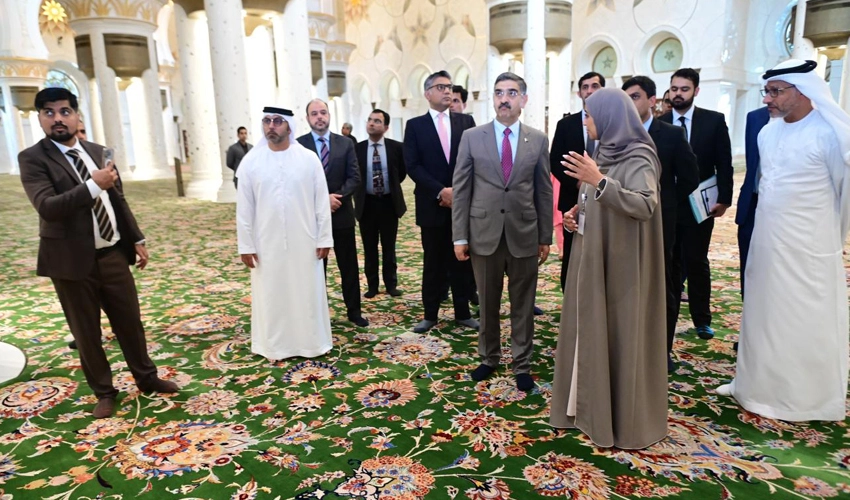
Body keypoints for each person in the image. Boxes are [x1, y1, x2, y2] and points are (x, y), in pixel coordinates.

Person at [18, 87, 179, 419]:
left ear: (78, 116)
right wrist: (93, 185)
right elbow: (48, 207)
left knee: (130, 322)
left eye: (64, 111)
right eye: (49, 113)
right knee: (86, 331)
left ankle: (147, 379)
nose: (57, 119)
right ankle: (104, 392)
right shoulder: (33, 158)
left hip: (112, 253)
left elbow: (117, 199)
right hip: (71, 262)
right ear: (40, 119)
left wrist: (135, 238)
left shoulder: (98, 151)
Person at [716, 59, 850, 422]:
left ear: (802, 90)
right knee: (762, 313)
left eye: (776, 92)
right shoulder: (767, 132)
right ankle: (754, 386)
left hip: (809, 247)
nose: (768, 99)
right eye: (767, 91)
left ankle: (804, 399)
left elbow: (844, 195)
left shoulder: (830, 134)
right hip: (767, 241)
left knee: (801, 318)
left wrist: (830, 241)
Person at [550, 88, 667, 449]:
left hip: (621, 266)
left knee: (616, 334)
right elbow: (596, 200)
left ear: (610, 117)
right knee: (587, 328)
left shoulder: (639, 155)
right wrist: (574, 215)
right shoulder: (603, 152)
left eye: (589, 114)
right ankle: (583, 410)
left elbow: (644, 204)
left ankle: (615, 420)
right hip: (592, 256)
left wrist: (598, 180)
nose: (585, 121)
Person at [452, 72, 552, 391]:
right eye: (498, 93)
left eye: (511, 92)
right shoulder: (472, 137)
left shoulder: (537, 139)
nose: (504, 99)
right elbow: (462, 188)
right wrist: (460, 236)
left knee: (522, 304)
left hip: (524, 233)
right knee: (488, 302)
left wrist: (545, 236)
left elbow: (543, 190)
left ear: (524, 99)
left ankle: (522, 364)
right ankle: (488, 357)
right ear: (493, 99)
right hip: (483, 233)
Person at [237, 106, 334, 360]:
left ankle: (311, 344)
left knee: (306, 292)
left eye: (278, 121)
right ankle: (273, 346)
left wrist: (324, 237)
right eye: (267, 121)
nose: (272, 125)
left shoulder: (308, 158)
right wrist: (245, 245)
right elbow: (244, 209)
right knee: (271, 294)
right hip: (265, 243)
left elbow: (321, 202)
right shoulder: (251, 162)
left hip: (306, 240)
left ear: (289, 126)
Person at [622, 76, 700, 372]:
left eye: (636, 97)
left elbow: (690, 179)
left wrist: (665, 206)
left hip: (662, 225)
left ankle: (661, 349)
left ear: (652, 100)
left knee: (662, 286)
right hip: (625, 222)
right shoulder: (618, 134)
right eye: (627, 97)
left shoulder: (670, 135)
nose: (631, 103)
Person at [660, 68, 733, 341]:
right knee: (670, 263)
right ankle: (667, 319)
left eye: (684, 89)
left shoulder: (713, 121)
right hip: (668, 206)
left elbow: (723, 162)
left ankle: (702, 319)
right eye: (675, 89)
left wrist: (724, 198)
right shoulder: (661, 122)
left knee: (696, 261)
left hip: (701, 205)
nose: (679, 94)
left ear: (696, 91)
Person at [404, 70, 479, 333]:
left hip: (462, 204)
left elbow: (474, 160)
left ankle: (463, 312)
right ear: (427, 94)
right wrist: (440, 191)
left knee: (462, 259)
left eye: (449, 86)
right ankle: (430, 315)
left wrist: (457, 192)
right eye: (440, 87)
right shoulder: (415, 126)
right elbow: (412, 165)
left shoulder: (466, 121)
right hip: (431, 204)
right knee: (433, 262)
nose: (447, 91)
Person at [297, 99, 368, 327]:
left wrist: (336, 198)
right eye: (314, 113)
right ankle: (317, 313)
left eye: (323, 112)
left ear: (329, 115)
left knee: (348, 266)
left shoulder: (345, 144)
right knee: (317, 268)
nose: (320, 117)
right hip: (312, 219)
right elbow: (297, 182)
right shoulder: (298, 145)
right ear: (307, 119)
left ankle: (354, 311)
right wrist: (322, 200)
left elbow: (354, 177)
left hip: (342, 214)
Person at [550, 72, 604, 292]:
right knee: (573, 253)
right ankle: (569, 299)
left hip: (605, 199)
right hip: (573, 199)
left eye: (594, 86)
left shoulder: (609, 122)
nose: (589, 90)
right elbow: (555, 161)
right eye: (585, 87)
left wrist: (595, 182)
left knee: (599, 253)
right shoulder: (566, 124)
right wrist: (578, 183)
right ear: (579, 92)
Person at [354, 109, 406, 298]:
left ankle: (391, 284)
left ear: (385, 127)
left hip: (388, 203)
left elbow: (400, 173)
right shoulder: (358, 149)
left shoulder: (396, 148)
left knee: (389, 247)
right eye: (369, 120)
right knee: (369, 247)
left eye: (377, 121)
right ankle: (372, 285)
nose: (372, 123)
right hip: (366, 204)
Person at [735, 106, 770, 298]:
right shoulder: (755, 117)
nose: (767, 98)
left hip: (785, 210)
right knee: (748, 259)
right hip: (752, 202)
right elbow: (752, 162)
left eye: (776, 91)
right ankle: (748, 303)